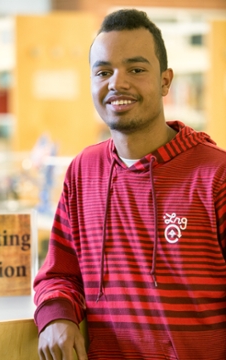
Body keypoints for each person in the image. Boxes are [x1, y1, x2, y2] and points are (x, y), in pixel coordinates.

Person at [33, 8, 226, 360]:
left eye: (136, 70)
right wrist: (56, 317)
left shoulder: (216, 175)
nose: (116, 83)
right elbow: (59, 274)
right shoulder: (82, 171)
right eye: (103, 71)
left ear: (166, 81)